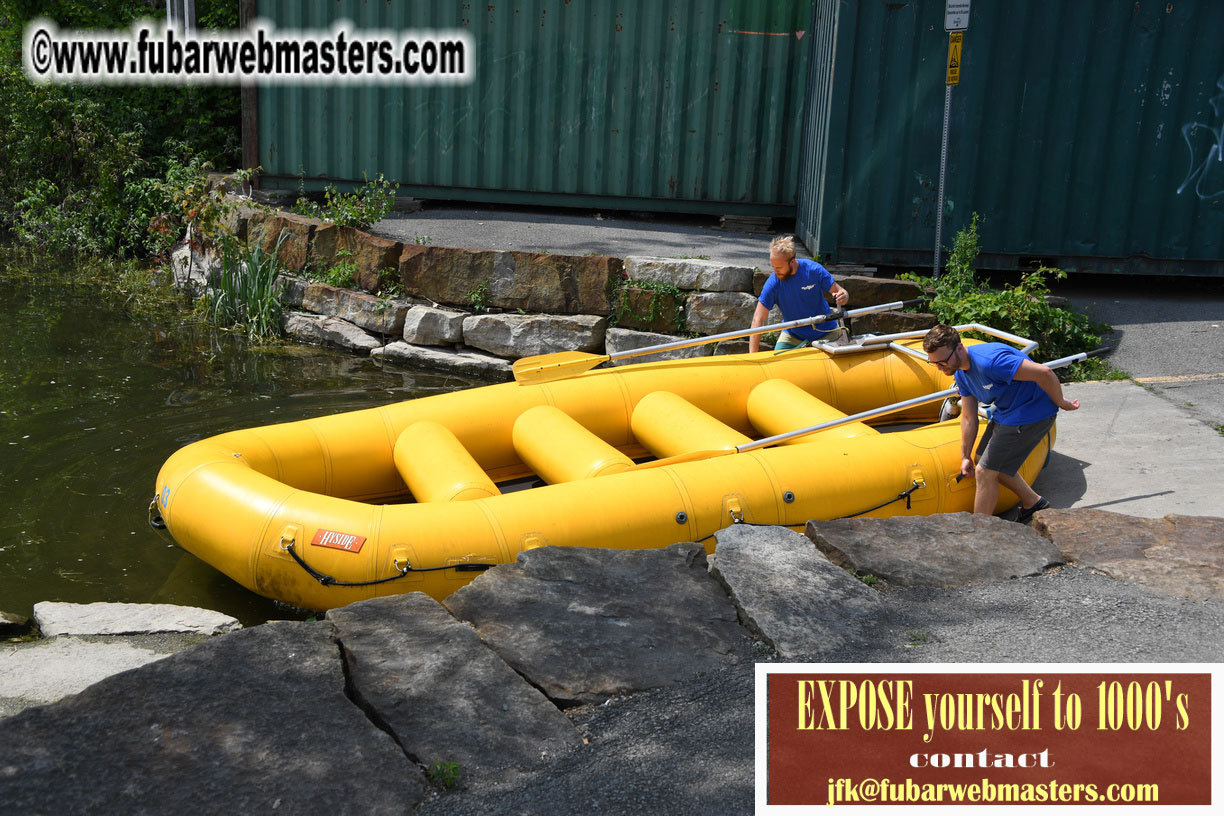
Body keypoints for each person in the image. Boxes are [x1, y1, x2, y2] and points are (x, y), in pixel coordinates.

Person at [922, 324, 1080, 520]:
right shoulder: (961, 374)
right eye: (934, 363)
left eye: (942, 362)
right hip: (1008, 413)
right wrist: (965, 456)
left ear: (960, 348)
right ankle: (1034, 503)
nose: (939, 367)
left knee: (984, 472)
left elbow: (1044, 372)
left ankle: (982, 533)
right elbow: (969, 417)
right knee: (981, 459)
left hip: (1033, 413)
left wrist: (1062, 402)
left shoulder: (991, 362)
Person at [748, 235, 849, 353]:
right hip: (793, 334)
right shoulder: (773, 282)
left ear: (792, 261)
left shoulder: (813, 270)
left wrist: (844, 296)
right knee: (777, 364)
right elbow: (757, 319)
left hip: (826, 331)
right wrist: (752, 356)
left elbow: (841, 292)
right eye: (773, 267)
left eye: (779, 267)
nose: (775, 271)